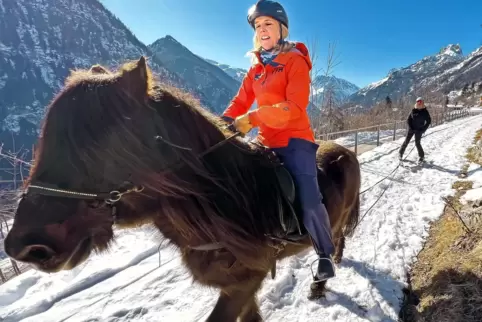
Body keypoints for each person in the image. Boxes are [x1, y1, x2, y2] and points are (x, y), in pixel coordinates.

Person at [221, 0, 336, 282]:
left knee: (309, 199)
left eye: (268, 24)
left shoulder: (295, 62)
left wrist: (253, 118)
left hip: (295, 140)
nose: (262, 30)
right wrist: (222, 121)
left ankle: (324, 253)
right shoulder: (256, 68)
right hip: (264, 141)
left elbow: (294, 108)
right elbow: (240, 100)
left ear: (282, 29)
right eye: (258, 25)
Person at [399, 97, 432, 163]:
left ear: (422, 103)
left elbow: (428, 121)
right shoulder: (413, 110)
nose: (419, 103)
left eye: (420, 102)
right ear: (416, 103)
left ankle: (421, 157)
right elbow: (408, 120)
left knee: (417, 143)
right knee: (406, 141)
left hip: (419, 130)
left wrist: (423, 129)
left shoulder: (425, 111)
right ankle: (400, 153)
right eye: (418, 102)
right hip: (411, 129)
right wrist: (410, 127)